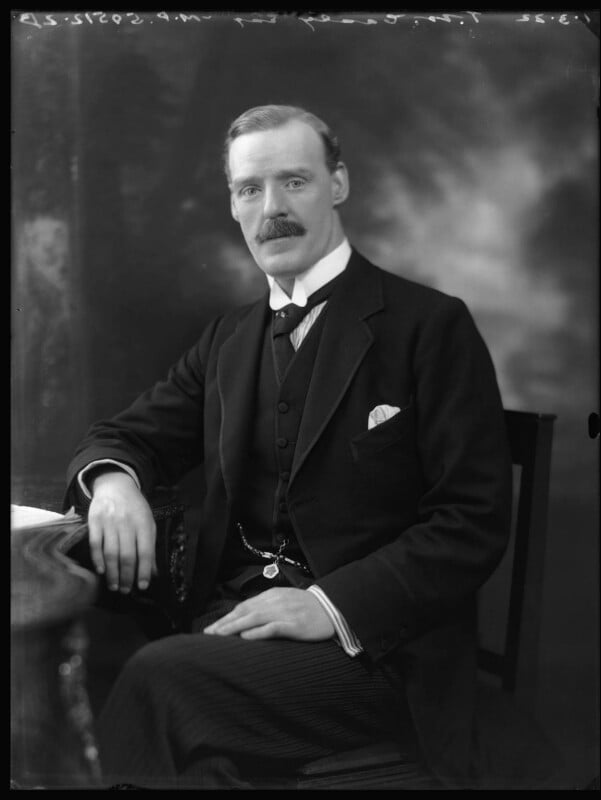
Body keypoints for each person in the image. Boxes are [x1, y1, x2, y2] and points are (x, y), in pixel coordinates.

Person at [65, 104, 513, 789]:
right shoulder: (229, 339)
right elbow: (125, 435)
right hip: (231, 630)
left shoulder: (430, 326)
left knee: (158, 681)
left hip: (375, 653)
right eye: (250, 188)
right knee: (178, 744)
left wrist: (329, 605)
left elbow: (472, 522)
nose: (271, 208)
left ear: (339, 184)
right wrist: (115, 481)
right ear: (234, 205)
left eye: (294, 181)